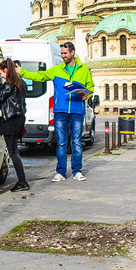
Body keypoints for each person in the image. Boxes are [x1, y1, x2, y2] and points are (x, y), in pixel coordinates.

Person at [16, 42, 94, 182]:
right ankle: (61, 172)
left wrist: (86, 94)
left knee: (76, 142)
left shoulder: (84, 70)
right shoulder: (56, 70)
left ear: (72, 53)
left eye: (65, 53)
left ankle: (77, 171)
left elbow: (91, 87)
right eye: (62, 53)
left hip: (77, 111)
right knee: (61, 143)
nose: (63, 56)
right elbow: (39, 76)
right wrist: (21, 72)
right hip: (60, 111)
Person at [0, 59, 28, 191]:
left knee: (13, 152)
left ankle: (22, 181)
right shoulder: (19, 83)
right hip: (16, 120)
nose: (0, 76)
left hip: (10, 121)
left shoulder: (10, 85)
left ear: (6, 70)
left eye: (1, 73)